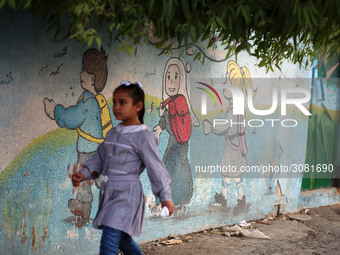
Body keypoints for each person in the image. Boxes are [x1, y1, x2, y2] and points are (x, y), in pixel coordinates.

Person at [71, 81, 175, 255]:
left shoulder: (144, 136)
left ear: (138, 106)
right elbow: (100, 158)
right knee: (122, 240)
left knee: (108, 243)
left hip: (127, 195)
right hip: (109, 193)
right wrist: (84, 173)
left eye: (122, 102)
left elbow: (155, 168)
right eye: (114, 102)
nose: (116, 107)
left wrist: (165, 196)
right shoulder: (112, 133)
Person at [43, 48, 112, 220]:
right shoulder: (98, 100)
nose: (81, 73)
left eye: (84, 70)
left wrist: (55, 111)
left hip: (87, 151)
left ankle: (83, 208)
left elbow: (72, 118)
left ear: (92, 79)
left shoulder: (88, 102)